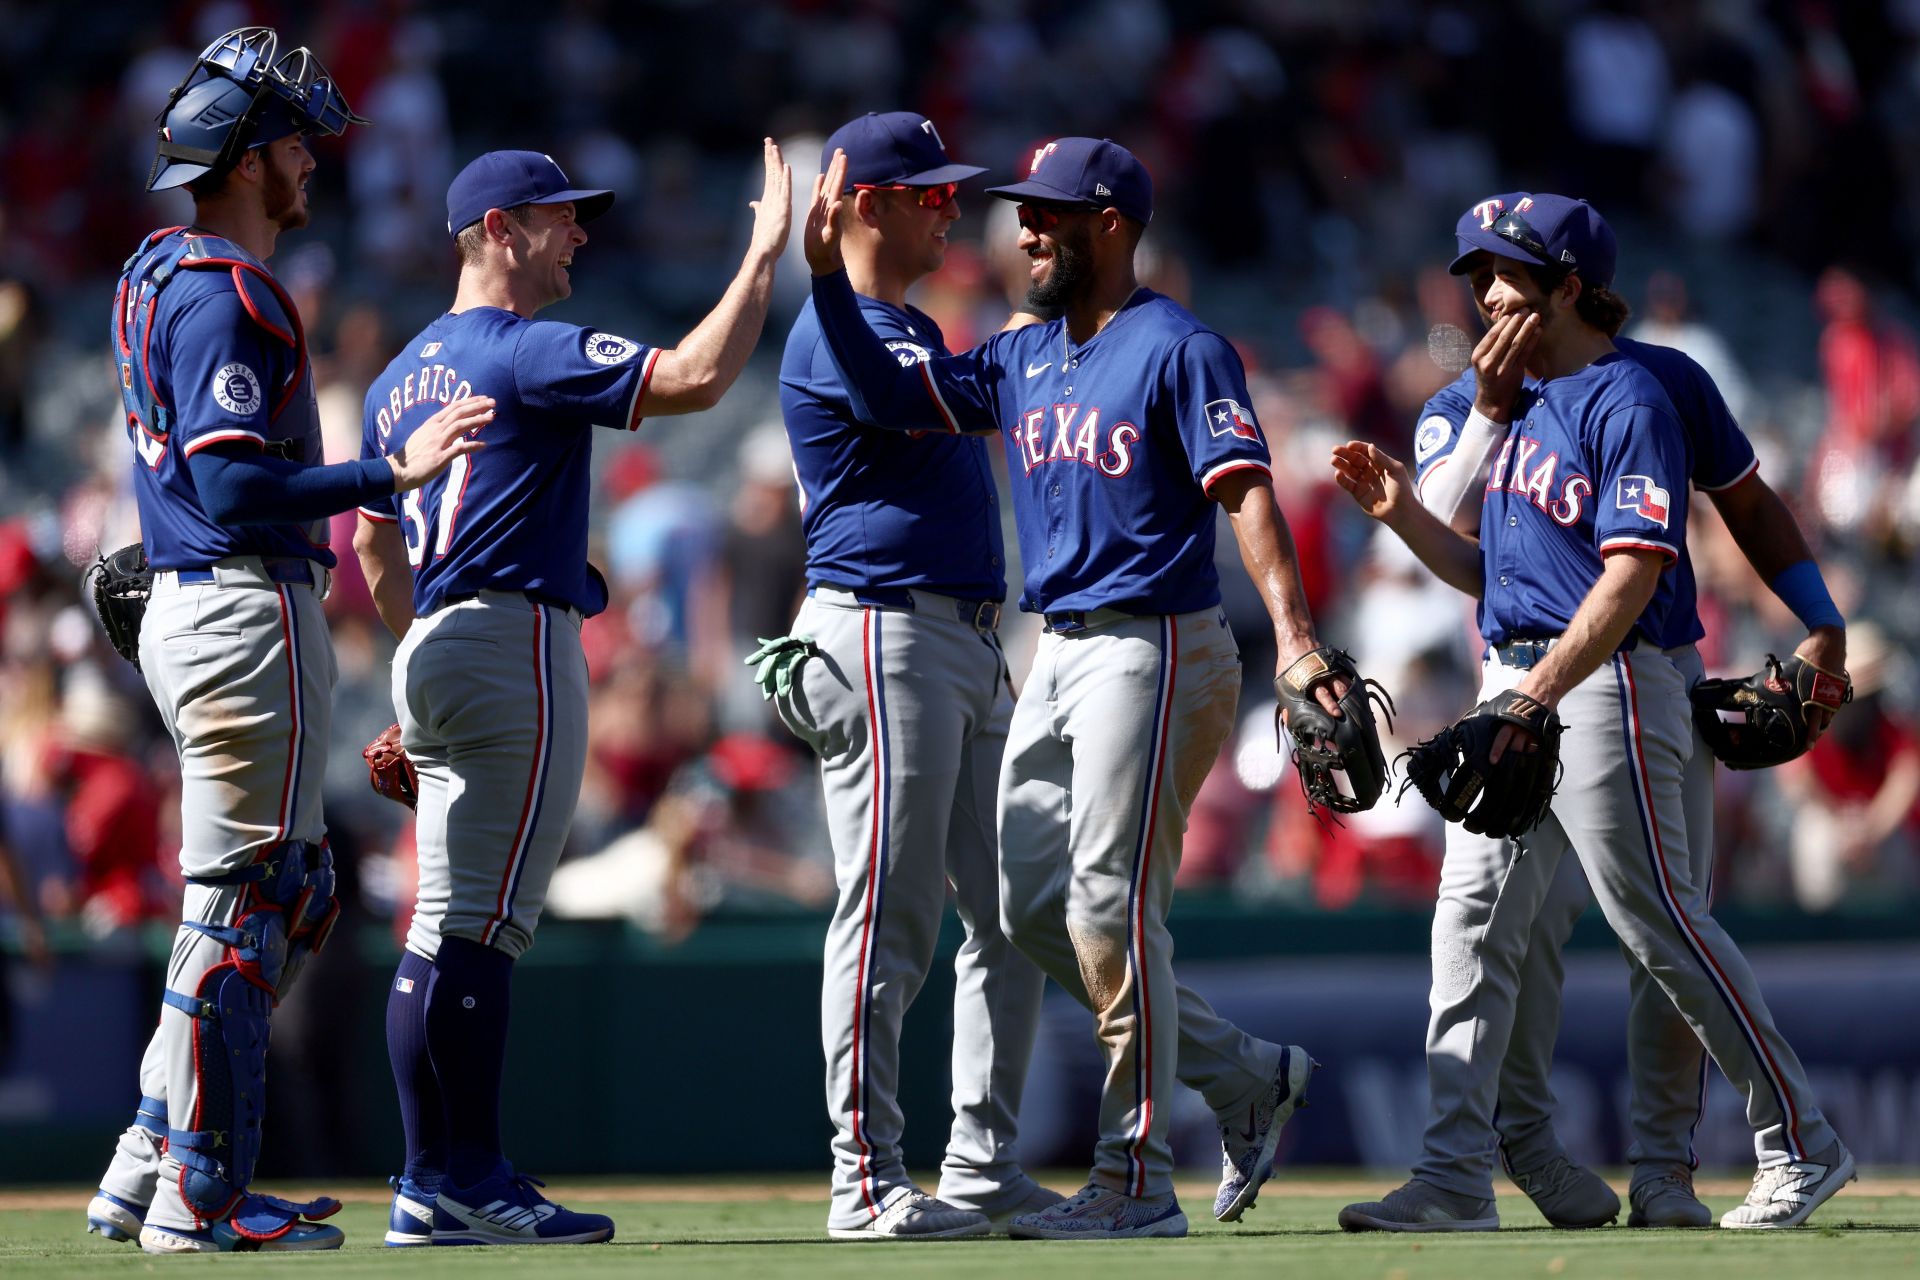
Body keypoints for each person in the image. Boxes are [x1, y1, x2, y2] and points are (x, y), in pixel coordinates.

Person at [799, 137, 1329, 1240]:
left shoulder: (1179, 346)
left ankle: (1135, 1178)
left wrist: (1294, 637)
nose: (1025, 229)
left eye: (1051, 213)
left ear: (1114, 226)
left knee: (1105, 906)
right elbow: (890, 396)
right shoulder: (1020, 352)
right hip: (1056, 649)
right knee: (1025, 906)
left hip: (1159, 641)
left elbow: (1249, 496)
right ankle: (1242, 1076)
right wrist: (823, 284)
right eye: (1023, 211)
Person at [1331, 193, 1854, 1233]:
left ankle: (1769, 1145)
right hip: (1517, 674)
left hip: (1618, 673)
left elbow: (1651, 562)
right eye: (1473, 273)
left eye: (1505, 272)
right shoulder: (1490, 396)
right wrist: (1409, 516)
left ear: (1570, 283)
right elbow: (1490, 564)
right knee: (1472, 924)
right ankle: (1453, 1174)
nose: (1482, 293)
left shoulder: (1642, 391)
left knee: (1658, 922)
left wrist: (1821, 619)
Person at [86, 27, 488, 1256]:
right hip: (239, 599)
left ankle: (146, 1154)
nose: (311, 162)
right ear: (250, 158)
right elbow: (237, 489)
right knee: (252, 901)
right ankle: (199, 1194)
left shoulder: (157, 272)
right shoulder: (229, 289)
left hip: (199, 603)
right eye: (297, 142)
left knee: (281, 891)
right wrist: (389, 470)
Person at [353, 141, 792, 1247]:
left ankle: (423, 1180)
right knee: (485, 931)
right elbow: (693, 378)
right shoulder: (523, 348)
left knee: (436, 924)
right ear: (499, 230)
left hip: (441, 639)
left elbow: (369, 544)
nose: (580, 234)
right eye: (559, 217)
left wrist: (421, 654)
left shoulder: (399, 375)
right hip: (511, 638)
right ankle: (475, 1177)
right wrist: (762, 255)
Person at [759, 111, 1056, 1242]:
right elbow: (899, 400)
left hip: (966, 642)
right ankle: (866, 1174)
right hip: (885, 634)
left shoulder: (907, 321)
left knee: (1018, 913)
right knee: (891, 912)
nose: (950, 207)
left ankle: (979, 1160)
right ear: (866, 203)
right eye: (928, 192)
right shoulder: (837, 326)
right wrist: (823, 277)